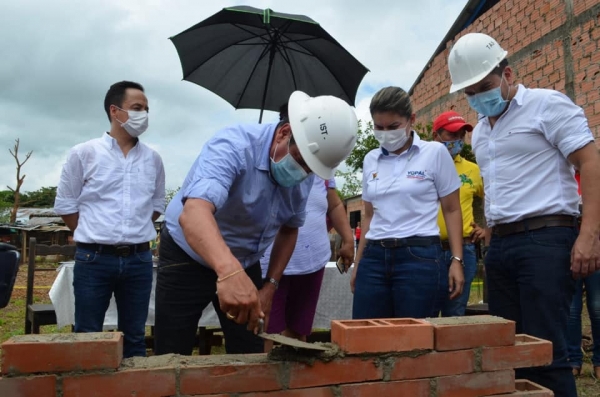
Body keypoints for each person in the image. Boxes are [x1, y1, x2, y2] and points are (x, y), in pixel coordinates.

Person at [447, 32, 600, 396]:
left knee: (548, 350)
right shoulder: (481, 132)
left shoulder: (548, 105)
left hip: (546, 240)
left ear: (509, 74)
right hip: (500, 247)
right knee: (512, 349)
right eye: (469, 93)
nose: (477, 98)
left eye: (484, 86)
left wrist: (589, 234)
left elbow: (590, 163)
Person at [153, 91, 358, 355]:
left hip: (246, 260)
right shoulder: (233, 146)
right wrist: (228, 271)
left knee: (250, 350)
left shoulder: (305, 175)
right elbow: (194, 213)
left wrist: (270, 286)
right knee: (172, 349)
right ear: (284, 132)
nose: (303, 174)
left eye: (311, 170)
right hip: (188, 253)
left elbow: (289, 228)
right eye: (300, 162)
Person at [54, 81, 166, 358]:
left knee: (136, 337)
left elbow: (156, 205)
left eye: (146, 109)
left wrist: (132, 229)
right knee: (88, 335)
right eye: (137, 108)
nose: (144, 115)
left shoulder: (153, 159)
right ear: (115, 111)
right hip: (94, 259)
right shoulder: (84, 153)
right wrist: (93, 233)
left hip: (139, 260)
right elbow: (66, 204)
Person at [350, 86, 465, 319]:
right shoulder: (371, 159)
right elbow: (369, 216)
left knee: (413, 340)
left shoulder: (434, 153)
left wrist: (457, 260)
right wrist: (358, 263)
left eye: (393, 127)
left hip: (418, 258)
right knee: (366, 336)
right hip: (374, 258)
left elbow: (452, 209)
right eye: (378, 127)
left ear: (411, 119)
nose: (385, 133)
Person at [260, 176, 354, 347]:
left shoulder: (323, 167)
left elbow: (335, 205)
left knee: (299, 329)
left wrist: (348, 239)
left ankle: (294, 372)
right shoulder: (275, 162)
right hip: (269, 263)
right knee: (266, 331)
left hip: (312, 262)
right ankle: (264, 373)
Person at [432, 111, 485, 316]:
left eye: (461, 136)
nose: (457, 141)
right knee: (424, 313)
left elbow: (493, 196)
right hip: (428, 251)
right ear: (436, 136)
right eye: (451, 135)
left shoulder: (472, 170)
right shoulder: (424, 165)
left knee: (454, 313)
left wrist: (487, 229)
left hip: (464, 250)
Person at [568, 170, 600, 378]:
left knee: (597, 306)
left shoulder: (594, 175)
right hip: (567, 246)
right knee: (571, 307)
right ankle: (573, 360)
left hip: (596, 247)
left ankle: (598, 362)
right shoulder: (563, 175)